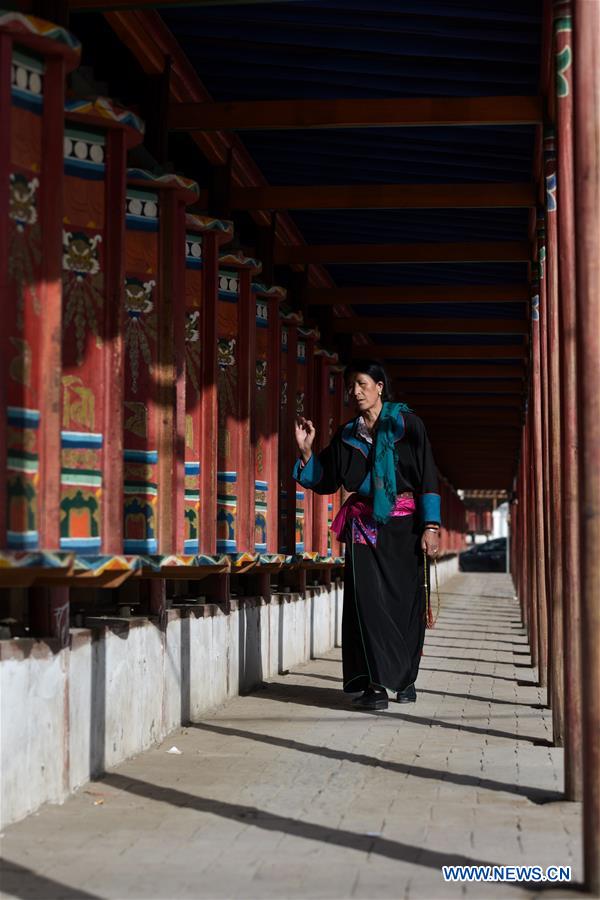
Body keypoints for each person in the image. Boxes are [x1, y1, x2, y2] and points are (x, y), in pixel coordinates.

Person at [293, 359, 441, 710]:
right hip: (364, 528)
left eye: (361, 384)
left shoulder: (409, 426)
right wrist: (305, 451)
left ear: (379, 386)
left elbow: (427, 477)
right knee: (366, 602)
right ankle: (375, 686)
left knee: (405, 603)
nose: (355, 391)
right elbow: (326, 478)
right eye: (351, 386)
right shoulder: (347, 435)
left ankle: (404, 678)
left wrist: (431, 526)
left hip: (406, 528)